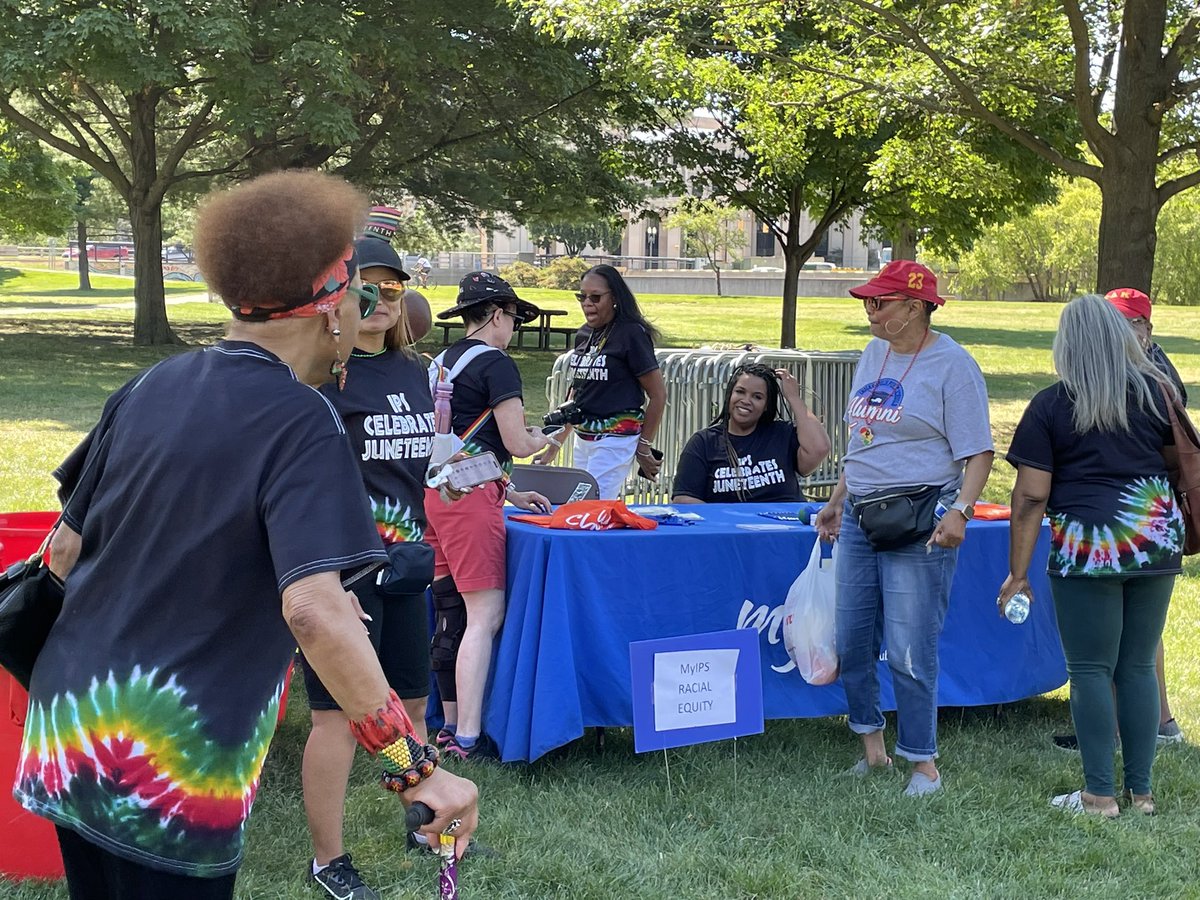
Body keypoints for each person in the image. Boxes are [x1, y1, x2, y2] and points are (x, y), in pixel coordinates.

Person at [15, 172, 478, 900]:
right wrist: (416, 769)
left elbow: (64, 554)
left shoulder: (148, 386)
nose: (363, 316)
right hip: (172, 762)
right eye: (360, 297)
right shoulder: (304, 420)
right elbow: (314, 612)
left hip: (68, 729)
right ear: (330, 308)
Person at [299, 207, 442, 899]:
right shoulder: (324, 379)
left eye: (391, 289)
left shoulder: (416, 376)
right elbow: (305, 494)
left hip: (409, 569)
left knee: (412, 707)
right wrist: (329, 581)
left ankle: (429, 820)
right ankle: (328, 860)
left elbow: (417, 476)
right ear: (338, 296)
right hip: (343, 582)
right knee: (336, 719)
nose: (378, 302)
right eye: (364, 287)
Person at [814, 260, 994, 798]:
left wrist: (960, 509)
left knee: (912, 645)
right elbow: (866, 438)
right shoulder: (874, 353)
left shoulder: (952, 365)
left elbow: (978, 452)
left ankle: (923, 764)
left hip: (921, 518)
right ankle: (873, 751)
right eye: (867, 302)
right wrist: (836, 499)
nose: (868, 310)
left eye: (879, 303)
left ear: (914, 307)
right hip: (861, 513)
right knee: (851, 636)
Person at [1000, 294, 1184, 817]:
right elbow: (1175, 466)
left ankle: (1099, 795)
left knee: (1089, 670)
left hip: (1089, 546)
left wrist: (1018, 574)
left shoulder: (1051, 405)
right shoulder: (1159, 396)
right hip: (1154, 538)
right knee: (1137, 667)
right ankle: (1142, 794)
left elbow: (1031, 497)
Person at [1049, 287, 1187, 753]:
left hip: (1125, 534)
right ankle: (1132, 760)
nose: (1121, 331)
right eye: (1115, 321)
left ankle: (1148, 730)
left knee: (1123, 657)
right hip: (1142, 538)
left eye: (1132, 322)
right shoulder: (1129, 380)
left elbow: (1172, 457)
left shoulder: (1155, 382)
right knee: (1123, 656)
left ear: (1147, 330)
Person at [424, 271, 552, 760]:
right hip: (472, 500)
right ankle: (469, 738)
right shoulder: (497, 364)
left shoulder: (439, 361)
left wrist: (512, 491)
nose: (515, 327)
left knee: (450, 609)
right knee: (484, 614)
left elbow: (456, 443)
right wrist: (542, 440)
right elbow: (516, 442)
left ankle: (450, 722)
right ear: (498, 313)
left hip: (437, 493)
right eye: (514, 317)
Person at [533, 264, 667, 499]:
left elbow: (658, 395)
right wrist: (555, 443)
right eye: (582, 297)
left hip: (615, 438)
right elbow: (577, 393)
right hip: (583, 437)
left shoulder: (631, 334)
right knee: (577, 506)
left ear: (614, 297)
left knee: (590, 505)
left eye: (595, 297)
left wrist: (644, 446)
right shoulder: (585, 334)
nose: (587, 303)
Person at [671, 362, 830, 503]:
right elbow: (683, 498)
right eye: (740, 392)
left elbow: (819, 448)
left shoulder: (782, 434)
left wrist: (794, 397)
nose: (746, 400)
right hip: (731, 532)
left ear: (766, 405)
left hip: (784, 530)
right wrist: (727, 524)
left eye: (757, 397)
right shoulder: (704, 442)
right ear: (730, 395)